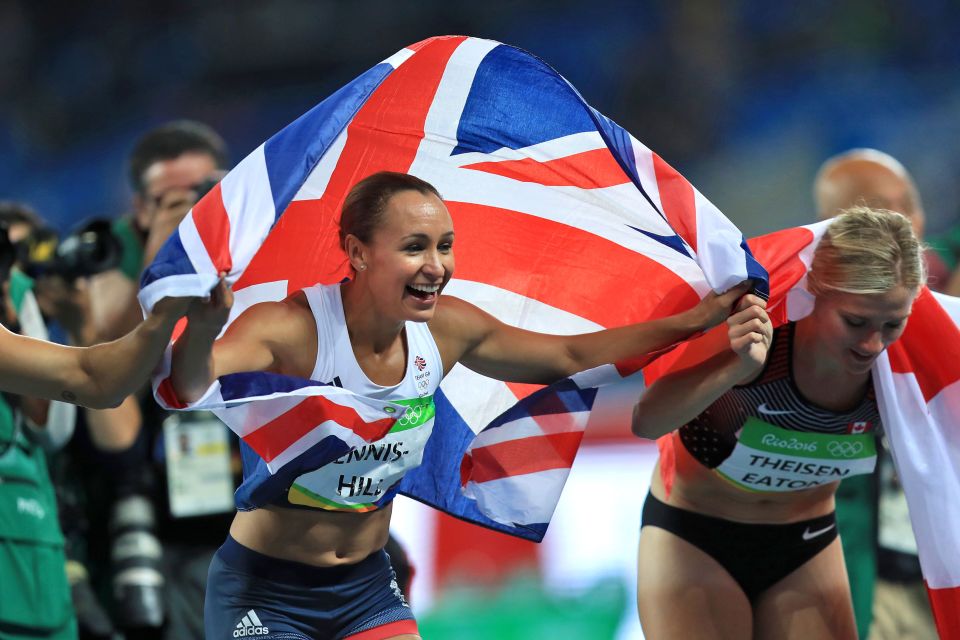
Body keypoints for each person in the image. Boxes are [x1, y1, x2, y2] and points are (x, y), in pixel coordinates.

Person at [167, 171, 750, 640]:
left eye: (445, 247)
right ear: (357, 251)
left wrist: (696, 321)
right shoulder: (292, 330)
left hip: (366, 587)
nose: (437, 267)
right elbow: (189, 386)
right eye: (414, 247)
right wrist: (203, 331)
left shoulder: (444, 331)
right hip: (266, 591)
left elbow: (569, 353)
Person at [632, 206, 924, 639]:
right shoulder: (757, 330)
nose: (872, 344)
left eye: (892, 324)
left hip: (806, 544)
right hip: (696, 537)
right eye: (855, 321)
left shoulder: (902, 367)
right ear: (815, 291)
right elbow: (648, 422)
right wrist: (731, 369)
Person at [814, 149, 938, 640]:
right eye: (878, 214)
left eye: (907, 206)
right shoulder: (798, 332)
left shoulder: (948, 317)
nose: (903, 226)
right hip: (861, 580)